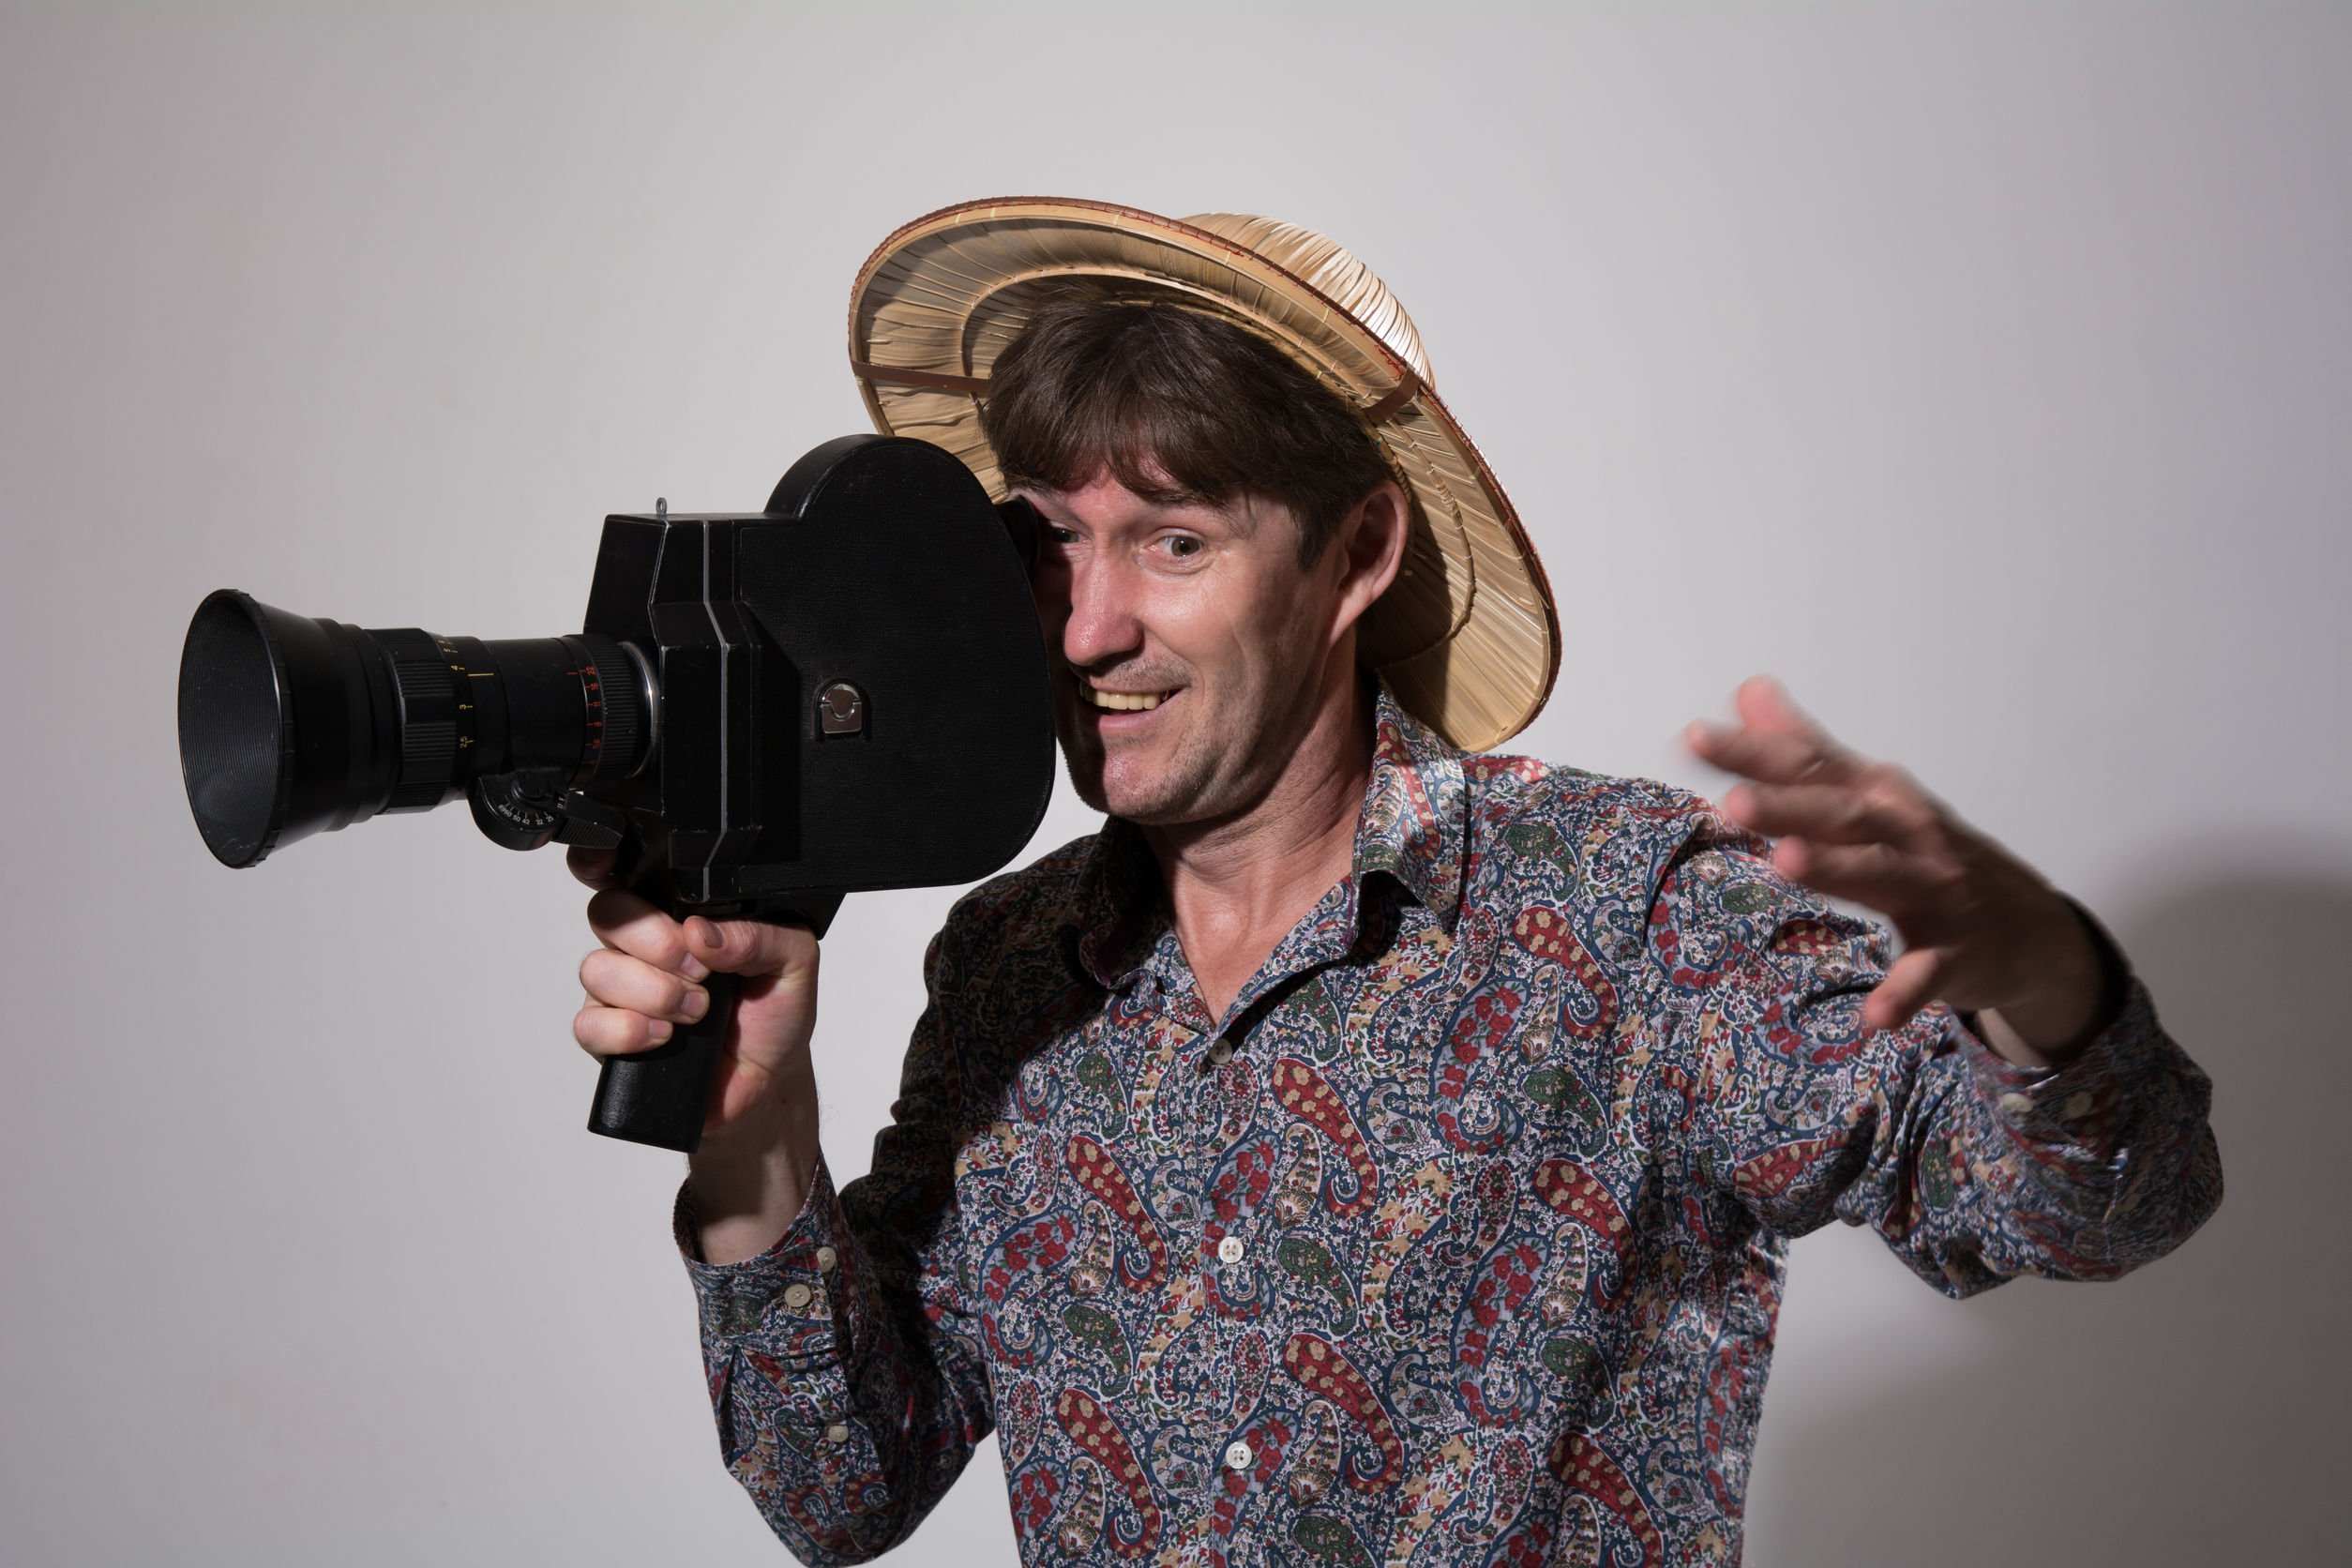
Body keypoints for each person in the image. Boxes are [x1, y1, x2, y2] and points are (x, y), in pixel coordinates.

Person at [567, 199, 2223, 1567]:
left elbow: (2098, 1207)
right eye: (1052, 540)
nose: (1086, 628)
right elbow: (840, 1488)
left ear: (1357, 554)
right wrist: (752, 1131)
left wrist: (2037, 971)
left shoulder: (1624, 909)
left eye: (1174, 541)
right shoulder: (1010, 962)